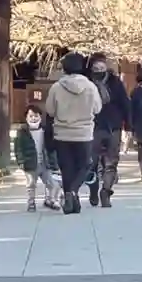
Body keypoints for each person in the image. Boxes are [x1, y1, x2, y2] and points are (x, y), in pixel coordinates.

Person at [44, 51, 101, 215]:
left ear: (64, 68)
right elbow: (97, 108)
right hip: (84, 133)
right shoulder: (90, 87)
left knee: (67, 168)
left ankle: (71, 202)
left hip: (62, 133)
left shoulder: (56, 87)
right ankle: (73, 193)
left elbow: (50, 110)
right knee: (85, 165)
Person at [86, 52, 132, 208]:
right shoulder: (87, 83)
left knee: (111, 163)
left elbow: (125, 103)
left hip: (113, 126)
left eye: (102, 65)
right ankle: (93, 189)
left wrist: (128, 125)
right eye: (96, 66)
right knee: (91, 163)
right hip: (93, 127)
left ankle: (106, 192)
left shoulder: (114, 82)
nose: (100, 68)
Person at [14, 105, 60, 212]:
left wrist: (53, 161)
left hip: (44, 163)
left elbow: (51, 147)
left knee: (52, 184)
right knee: (31, 184)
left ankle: (50, 200)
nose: (33, 118)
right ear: (26, 117)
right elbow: (18, 149)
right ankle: (31, 203)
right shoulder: (22, 132)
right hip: (30, 163)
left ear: (40, 117)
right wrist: (21, 162)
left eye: (36, 116)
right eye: (31, 116)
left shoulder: (45, 131)